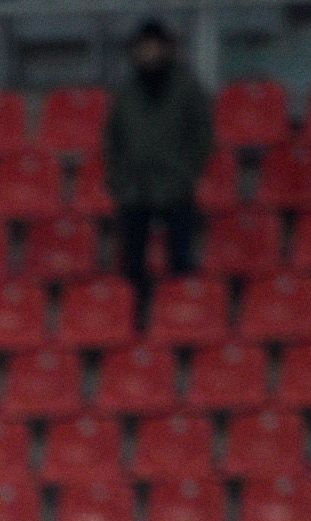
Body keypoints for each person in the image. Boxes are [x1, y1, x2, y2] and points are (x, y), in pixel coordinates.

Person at [103, 17, 212, 323]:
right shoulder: (126, 91)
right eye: (143, 48)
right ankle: (135, 320)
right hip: (134, 189)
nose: (149, 54)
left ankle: (182, 318)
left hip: (175, 184)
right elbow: (113, 139)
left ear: (165, 49)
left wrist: (186, 171)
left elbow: (202, 134)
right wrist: (119, 178)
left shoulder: (186, 87)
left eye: (153, 47)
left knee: (180, 260)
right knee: (132, 263)